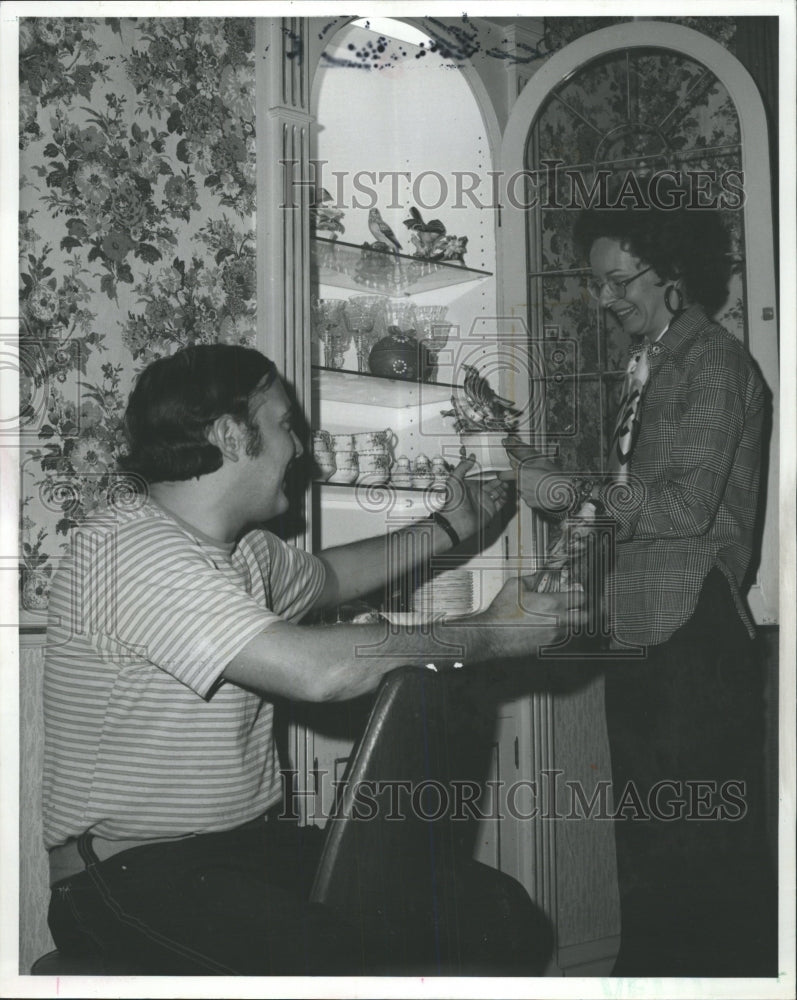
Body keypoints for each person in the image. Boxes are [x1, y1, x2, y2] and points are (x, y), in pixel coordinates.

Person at [42, 342, 583, 976]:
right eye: (282, 425)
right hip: (128, 874)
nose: (298, 447)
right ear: (229, 435)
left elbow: (328, 578)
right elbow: (315, 671)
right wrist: (492, 632)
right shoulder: (125, 551)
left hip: (248, 849)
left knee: (498, 912)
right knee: (345, 964)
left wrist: (449, 528)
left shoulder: (243, 552)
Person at [503, 193, 776, 976]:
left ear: (675, 273)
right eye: (599, 283)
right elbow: (628, 501)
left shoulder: (713, 363)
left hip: (693, 634)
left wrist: (570, 490)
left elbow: (686, 507)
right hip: (643, 627)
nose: (606, 298)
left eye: (621, 280)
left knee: (701, 864)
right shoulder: (647, 364)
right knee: (654, 851)